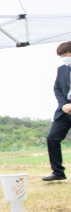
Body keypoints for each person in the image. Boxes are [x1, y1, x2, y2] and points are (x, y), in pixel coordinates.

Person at [43, 41, 71, 181]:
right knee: (52, 138)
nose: (63, 58)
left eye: (65, 55)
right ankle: (58, 172)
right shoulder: (62, 69)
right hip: (64, 110)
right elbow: (57, 88)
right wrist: (64, 105)